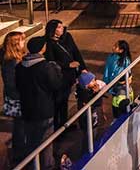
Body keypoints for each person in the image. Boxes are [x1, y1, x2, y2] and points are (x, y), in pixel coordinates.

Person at [16, 36, 62, 169]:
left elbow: (18, 85)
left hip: (27, 109)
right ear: (42, 49)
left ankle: (33, 165)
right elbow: (56, 84)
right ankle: (47, 165)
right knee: (46, 141)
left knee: (31, 140)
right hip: (44, 110)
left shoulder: (20, 67)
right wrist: (57, 70)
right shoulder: (45, 67)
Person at [44, 19, 86, 128]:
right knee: (58, 102)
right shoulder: (49, 43)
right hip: (59, 78)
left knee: (64, 101)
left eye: (62, 26)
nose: (62, 28)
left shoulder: (67, 37)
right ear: (53, 30)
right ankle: (58, 128)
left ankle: (64, 125)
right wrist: (67, 65)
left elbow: (76, 52)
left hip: (69, 77)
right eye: (59, 27)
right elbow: (51, 61)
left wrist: (82, 68)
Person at [2, 31, 26, 164]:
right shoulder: (11, 62)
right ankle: (20, 155)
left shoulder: (16, 59)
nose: (24, 43)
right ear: (16, 43)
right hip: (17, 100)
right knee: (19, 127)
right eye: (22, 40)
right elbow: (12, 84)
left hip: (17, 98)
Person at [103, 40, 133, 118]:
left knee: (121, 107)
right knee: (116, 104)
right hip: (113, 85)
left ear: (121, 50)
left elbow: (129, 73)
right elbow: (107, 70)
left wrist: (125, 80)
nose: (113, 47)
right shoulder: (111, 56)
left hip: (121, 87)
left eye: (116, 46)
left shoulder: (125, 60)